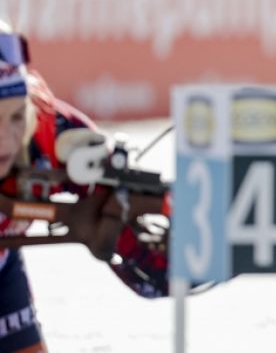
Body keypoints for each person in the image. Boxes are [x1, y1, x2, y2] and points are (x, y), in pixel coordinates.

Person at [0, 21, 169, 352]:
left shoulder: (57, 132)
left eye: (17, 117)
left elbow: (122, 196)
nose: (6, 138)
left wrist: (136, 244)